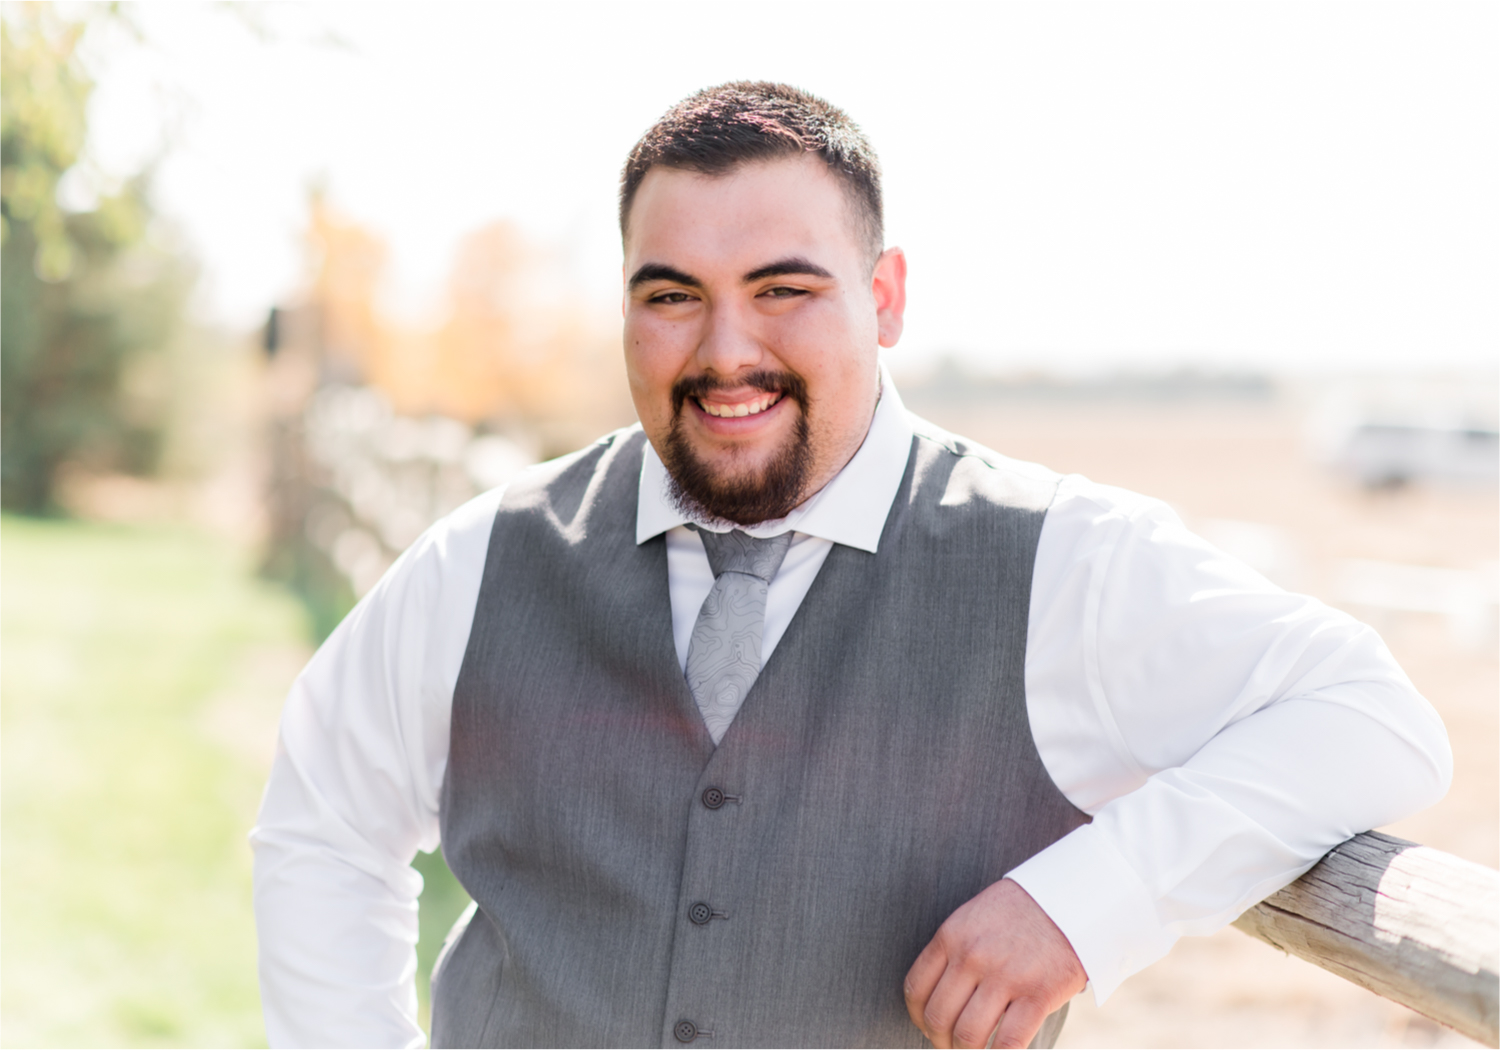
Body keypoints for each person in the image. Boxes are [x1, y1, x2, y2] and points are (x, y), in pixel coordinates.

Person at [251, 82, 1452, 1050]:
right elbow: (323, 822)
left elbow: (1368, 716)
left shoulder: (1058, 562)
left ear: (884, 298)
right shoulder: (487, 558)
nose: (727, 351)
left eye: (783, 289)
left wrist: (1088, 904)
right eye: (672, 296)